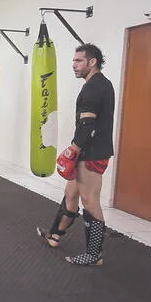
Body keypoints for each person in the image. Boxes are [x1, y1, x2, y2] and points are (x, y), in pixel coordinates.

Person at [36, 44, 115, 266]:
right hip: (89, 150)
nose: (74, 65)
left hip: (91, 153)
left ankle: (94, 254)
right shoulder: (99, 84)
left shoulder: (93, 87)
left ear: (92, 62)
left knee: (90, 201)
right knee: (71, 194)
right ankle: (54, 236)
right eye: (73, 61)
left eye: (79, 61)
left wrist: (73, 149)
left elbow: (87, 125)